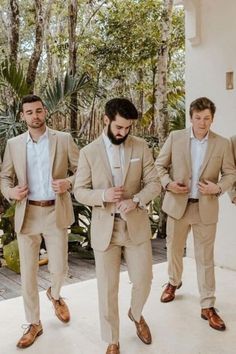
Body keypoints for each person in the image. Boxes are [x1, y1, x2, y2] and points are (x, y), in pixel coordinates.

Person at [74, 98, 160, 354]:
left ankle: (136, 314)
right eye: (119, 127)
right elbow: (79, 191)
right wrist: (103, 196)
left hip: (134, 225)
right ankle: (112, 339)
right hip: (104, 230)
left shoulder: (141, 147)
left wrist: (136, 200)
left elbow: (154, 183)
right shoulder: (88, 152)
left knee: (144, 279)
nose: (124, 132)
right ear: (106, 120)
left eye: (128, 128)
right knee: (107, 287)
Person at [1, 94, 79, 348]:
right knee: (28, 274)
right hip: (28, 214)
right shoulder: (14, 144)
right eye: (29, 112)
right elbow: (5, 177)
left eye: (38, 110)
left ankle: (55, 295)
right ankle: (34, 323)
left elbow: (83, 171)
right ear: (22, 116)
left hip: (55, 212)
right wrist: (11, 192)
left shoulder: (63, 139)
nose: (34, 116)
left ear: (45, 111)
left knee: (59, 268)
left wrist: (68, 182)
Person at [156, 97, 236, 331]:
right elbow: (159, 166)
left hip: (206, 207)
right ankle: (173, 282)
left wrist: (218, 188)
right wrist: (168, 184)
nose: (202, 123)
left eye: (207, 118)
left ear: (212, 119)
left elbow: (231, 174)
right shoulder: (175, 137)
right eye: (198, 118)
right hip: (178, 206)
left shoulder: (222, 144)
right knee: (173, 250)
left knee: (205, 257)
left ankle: (207, 305)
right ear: (191, 117)